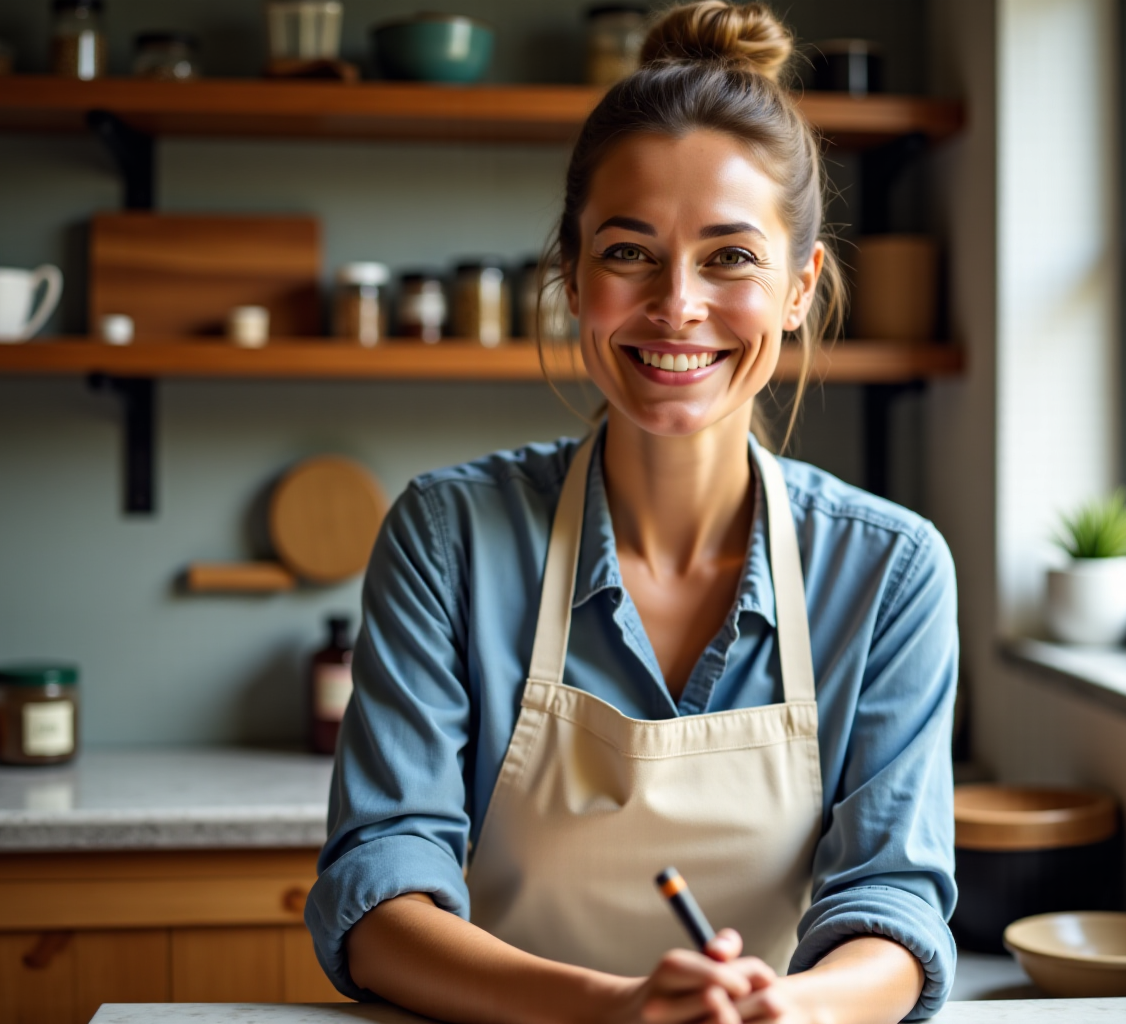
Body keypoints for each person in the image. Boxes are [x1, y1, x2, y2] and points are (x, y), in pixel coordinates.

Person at [305, 3, 958, 1021]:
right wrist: (608, 1010)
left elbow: (893, 901)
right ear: (571, 276)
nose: (677, 304)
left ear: (799, 285)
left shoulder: (888, 569)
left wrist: (806, 1011)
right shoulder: (449, 537)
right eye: (627, 252)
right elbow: (377, 888)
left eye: (731, 257)